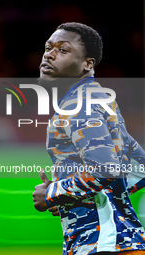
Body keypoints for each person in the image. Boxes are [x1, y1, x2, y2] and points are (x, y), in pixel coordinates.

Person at [32, 22, 145, 255]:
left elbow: (104, 169)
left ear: (88, 64)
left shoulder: (79, 105)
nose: (50, 55)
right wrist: (72, 197)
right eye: (48, 47)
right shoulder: (99, 101)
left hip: (101, 244)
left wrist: (52, 193)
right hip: (122, 242)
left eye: (63, 50)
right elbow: (140, 168)